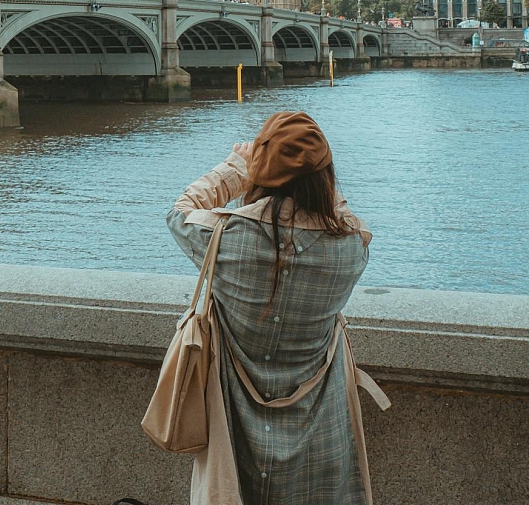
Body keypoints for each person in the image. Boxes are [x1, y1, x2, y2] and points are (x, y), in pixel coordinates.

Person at [166, 110, 388, 505]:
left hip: (232, 438)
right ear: (325, 176)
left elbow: (179, 212)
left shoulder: (224, 238)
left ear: (261, 171)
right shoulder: (350, 252)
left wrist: (236, 168)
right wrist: (324, 190)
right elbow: (352, 224)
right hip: (320, 439)